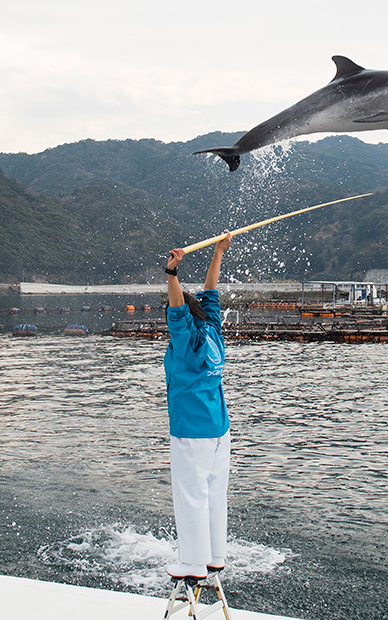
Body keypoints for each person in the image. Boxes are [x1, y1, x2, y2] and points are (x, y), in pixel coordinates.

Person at [163, 232, 232, 580]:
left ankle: (192, 563)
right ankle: (215, 556)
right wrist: (218, 252)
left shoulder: (187, 339)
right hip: (219, 429)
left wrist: (172, 273)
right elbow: (211, 291)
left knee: (191, 494)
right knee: (214, 494)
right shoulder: (213, 331)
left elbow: (177, 309)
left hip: (192, 431)